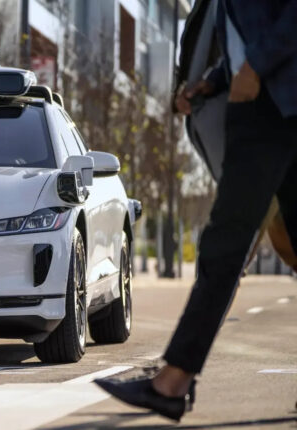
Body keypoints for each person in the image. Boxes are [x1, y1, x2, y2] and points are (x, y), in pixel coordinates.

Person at [95, 0, 297, 422]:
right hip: (269, 99)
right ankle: (174, 380)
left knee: (226, 244)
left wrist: (254, 68)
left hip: (269, 107)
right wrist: (212, 81)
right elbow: (253, 31)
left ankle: (173, 381)